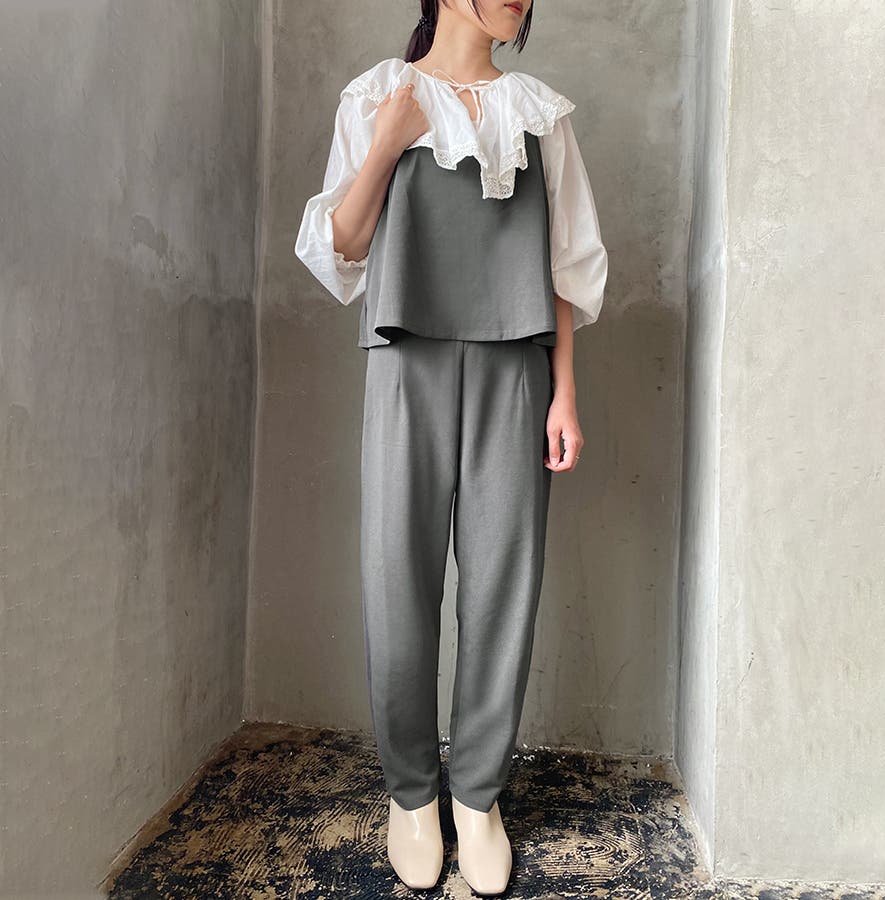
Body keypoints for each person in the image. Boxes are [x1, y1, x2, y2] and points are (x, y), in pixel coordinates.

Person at [294, 0, 607, 893]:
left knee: (505, 582)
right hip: (407, 364)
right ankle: (411, 795)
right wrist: (389, 142)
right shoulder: (379, 96)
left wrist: (564, 394)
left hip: (518, 370)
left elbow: (565, 265)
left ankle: (477, 797)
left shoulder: (540, 114)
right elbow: (339, 249)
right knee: (397, 576)